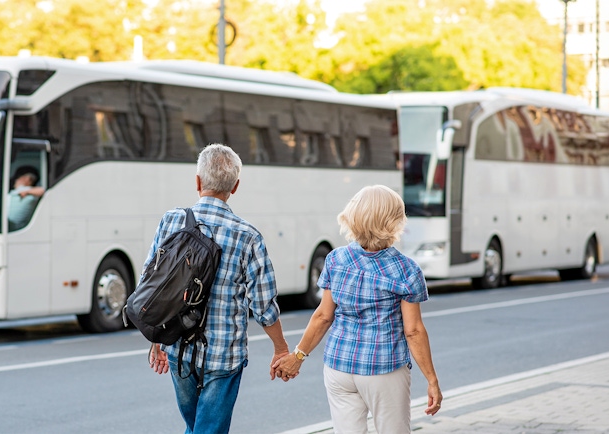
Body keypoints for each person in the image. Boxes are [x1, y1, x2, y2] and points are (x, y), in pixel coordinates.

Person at [273, 185, 442, 434]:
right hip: (383, 368)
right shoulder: (406, 270)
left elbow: (322, 316)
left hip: (339, 367)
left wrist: (297, 357)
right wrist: (432, 379)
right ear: (394, 221)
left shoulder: (335, 260)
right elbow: (414, 331)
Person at [146, 143, 290, 434]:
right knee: (207, 430)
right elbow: (263, 305)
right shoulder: (247, 235)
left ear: (197, 181)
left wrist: (156, 340)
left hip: (178, 347)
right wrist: (281, 348)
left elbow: (152, 284)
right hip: (223, 355)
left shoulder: (172, 220)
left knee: (196, 427)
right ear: (235, 186)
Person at [8, 165, 45, 230]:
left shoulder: (30, 193)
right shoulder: (14, 192)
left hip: (14, 227)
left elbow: (42, 190)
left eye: (19, 177)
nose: (16, 180)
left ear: (27, 179)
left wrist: (26, 192)